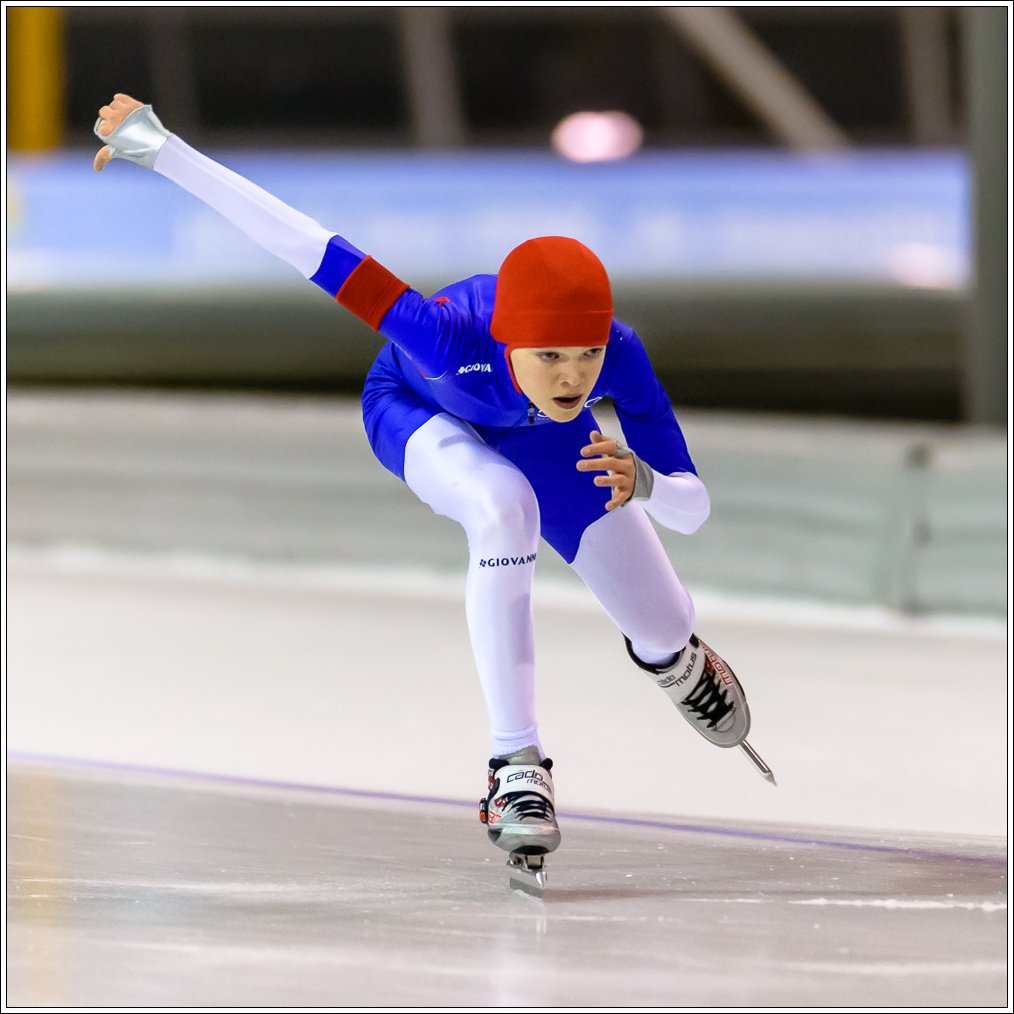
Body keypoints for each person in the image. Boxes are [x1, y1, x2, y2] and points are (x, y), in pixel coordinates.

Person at [93, 94, 759, 866]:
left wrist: (642, 480)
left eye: (586, 354)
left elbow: (694, 509)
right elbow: (308, 246)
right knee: (504, 506)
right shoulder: (443, 335)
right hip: (416, 413)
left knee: (664, 623)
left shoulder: (623, 354)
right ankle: (516, 764)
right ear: (507, 344)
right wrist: (166, 151)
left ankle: (673, 658)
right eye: (548, 357)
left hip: (548, 445)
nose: (574, 376)